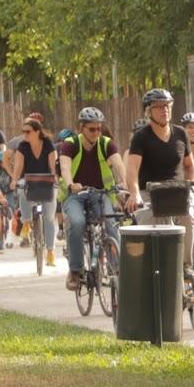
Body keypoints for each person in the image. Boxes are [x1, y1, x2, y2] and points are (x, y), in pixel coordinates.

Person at [56, 107, 122, 293]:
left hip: (100, 194)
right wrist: (70, 184)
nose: (96, 133)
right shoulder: (69, 144)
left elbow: (118, 164)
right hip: (74, 195)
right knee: (77, 223)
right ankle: (75, 271)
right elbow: (65, 167)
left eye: (99, 129)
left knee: (110, 223)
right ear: (82, 128)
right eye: (92, 129)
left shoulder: (106, 144)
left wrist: (124, 184)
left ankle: (117, 269)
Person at [123, 89, 194, 249]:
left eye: (167, 105)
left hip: (176, 192)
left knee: (188, 219)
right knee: (154, 234)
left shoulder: (180, 133)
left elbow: (190, 166)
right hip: (149, 194)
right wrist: (135, 194)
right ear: (148, 111)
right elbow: (132, 169)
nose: (165, 110)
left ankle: (186, 267)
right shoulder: (141, 137)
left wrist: (189, 187)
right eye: (159, 106)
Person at [6, 114, 58, 266]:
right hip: (28, 179)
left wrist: (55, 177)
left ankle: (50, 251)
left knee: (49, 217)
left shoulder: (48, 143)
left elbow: (53, 165)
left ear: (37, 132)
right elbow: (19, 166)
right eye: (23, 131)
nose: (24, 134)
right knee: (22, 188)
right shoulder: (22, 146)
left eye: (27, 131)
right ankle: (27, 221)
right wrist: (14, 180)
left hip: (47, 180)